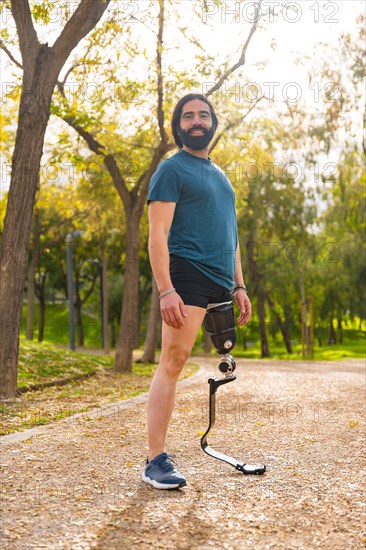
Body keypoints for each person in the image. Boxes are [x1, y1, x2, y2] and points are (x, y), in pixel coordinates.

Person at [142, 93, 252, 489]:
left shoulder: (221, 176)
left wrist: (239, 284)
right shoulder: (171, 170)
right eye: (188, 116)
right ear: (178, 125)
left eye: (203, 114)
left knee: (203, 360)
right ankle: (155, 461)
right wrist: (166, 289)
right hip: (186, 273)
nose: (196, 120)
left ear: (212, 122)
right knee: (174, 360)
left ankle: (161, 457)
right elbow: (157, 235)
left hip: (221, 282)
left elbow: (232, 235)